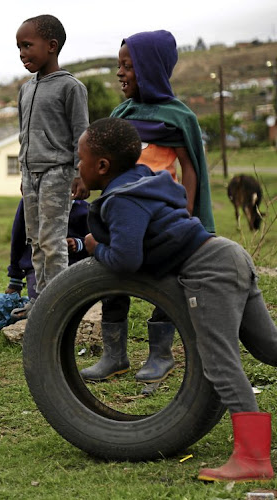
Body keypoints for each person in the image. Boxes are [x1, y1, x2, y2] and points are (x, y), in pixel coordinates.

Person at [80, 117, 276, 482]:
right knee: (269, 348)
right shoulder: (146, 183)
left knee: (218, 361)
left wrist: (95, 247)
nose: (78, 166)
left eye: (81, 160)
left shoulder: (122, 201)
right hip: (226, 254)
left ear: (102, 166)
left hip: (209, 271)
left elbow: (126, 260)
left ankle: (253, 459)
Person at [80, 30, 216, 384]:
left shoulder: (178, 116)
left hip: (160, 216)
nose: (120, 73)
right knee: (113, 276)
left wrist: (185, 213)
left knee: (166, 280)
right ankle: (115, 355)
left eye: (128, 66)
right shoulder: (121, 114)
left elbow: (190, 168)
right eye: (118, 65)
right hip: (123, 211)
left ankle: (160, 354)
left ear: (151, 69)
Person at [15, 14, 89, 303]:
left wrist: (80, 173)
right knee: (34, 240)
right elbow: (23, 137)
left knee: (52, 241)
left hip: (57, 173)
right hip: (30, 174)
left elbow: (81, 135)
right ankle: (41, 303)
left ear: (52, 46)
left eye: (27, 45)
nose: (22, 54)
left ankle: (60, 306)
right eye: (18, 47)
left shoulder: (71, 87)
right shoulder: (26, 89)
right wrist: (23, 175)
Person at [6, 198, 89, 303]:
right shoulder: (31, 201)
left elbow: (93, 242)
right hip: (37, 269)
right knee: (41, 306)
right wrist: (15, 279)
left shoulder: (83, 209)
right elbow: (18, 238)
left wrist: (78, 243)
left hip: (72, 269)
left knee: (66, 306)